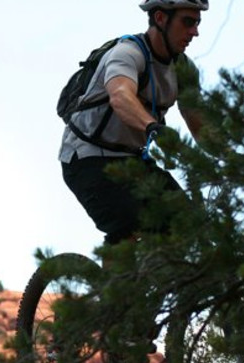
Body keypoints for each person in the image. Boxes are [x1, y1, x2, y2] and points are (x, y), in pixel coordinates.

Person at [60, 0, 207, 246]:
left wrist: (234, 158)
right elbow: (121, 96)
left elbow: (201, 126)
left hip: (133, 161)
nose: (195, 32)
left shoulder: (184, 69)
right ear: (160, 18)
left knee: (190, 225)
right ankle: (112, 284)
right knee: (126, 226)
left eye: (197, 23)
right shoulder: (128, 53)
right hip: (87, 158)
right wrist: (153, 127)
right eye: (188, 22)